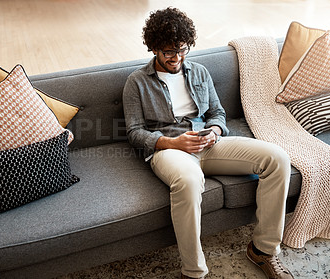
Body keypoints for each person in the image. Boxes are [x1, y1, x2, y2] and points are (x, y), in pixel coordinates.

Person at [122, 7, 294, 279]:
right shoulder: (137, 82)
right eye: (168, 52)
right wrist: (173, 142)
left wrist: (215, 130)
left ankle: (263, 250)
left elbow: (218, 113)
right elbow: (134, 132)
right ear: (153, 48)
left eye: (182, 49)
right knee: (189, 181)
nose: (176, 58)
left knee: (277, 159)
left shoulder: (199, 71)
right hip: (169, 149)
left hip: (207, 142)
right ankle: (193, 272)